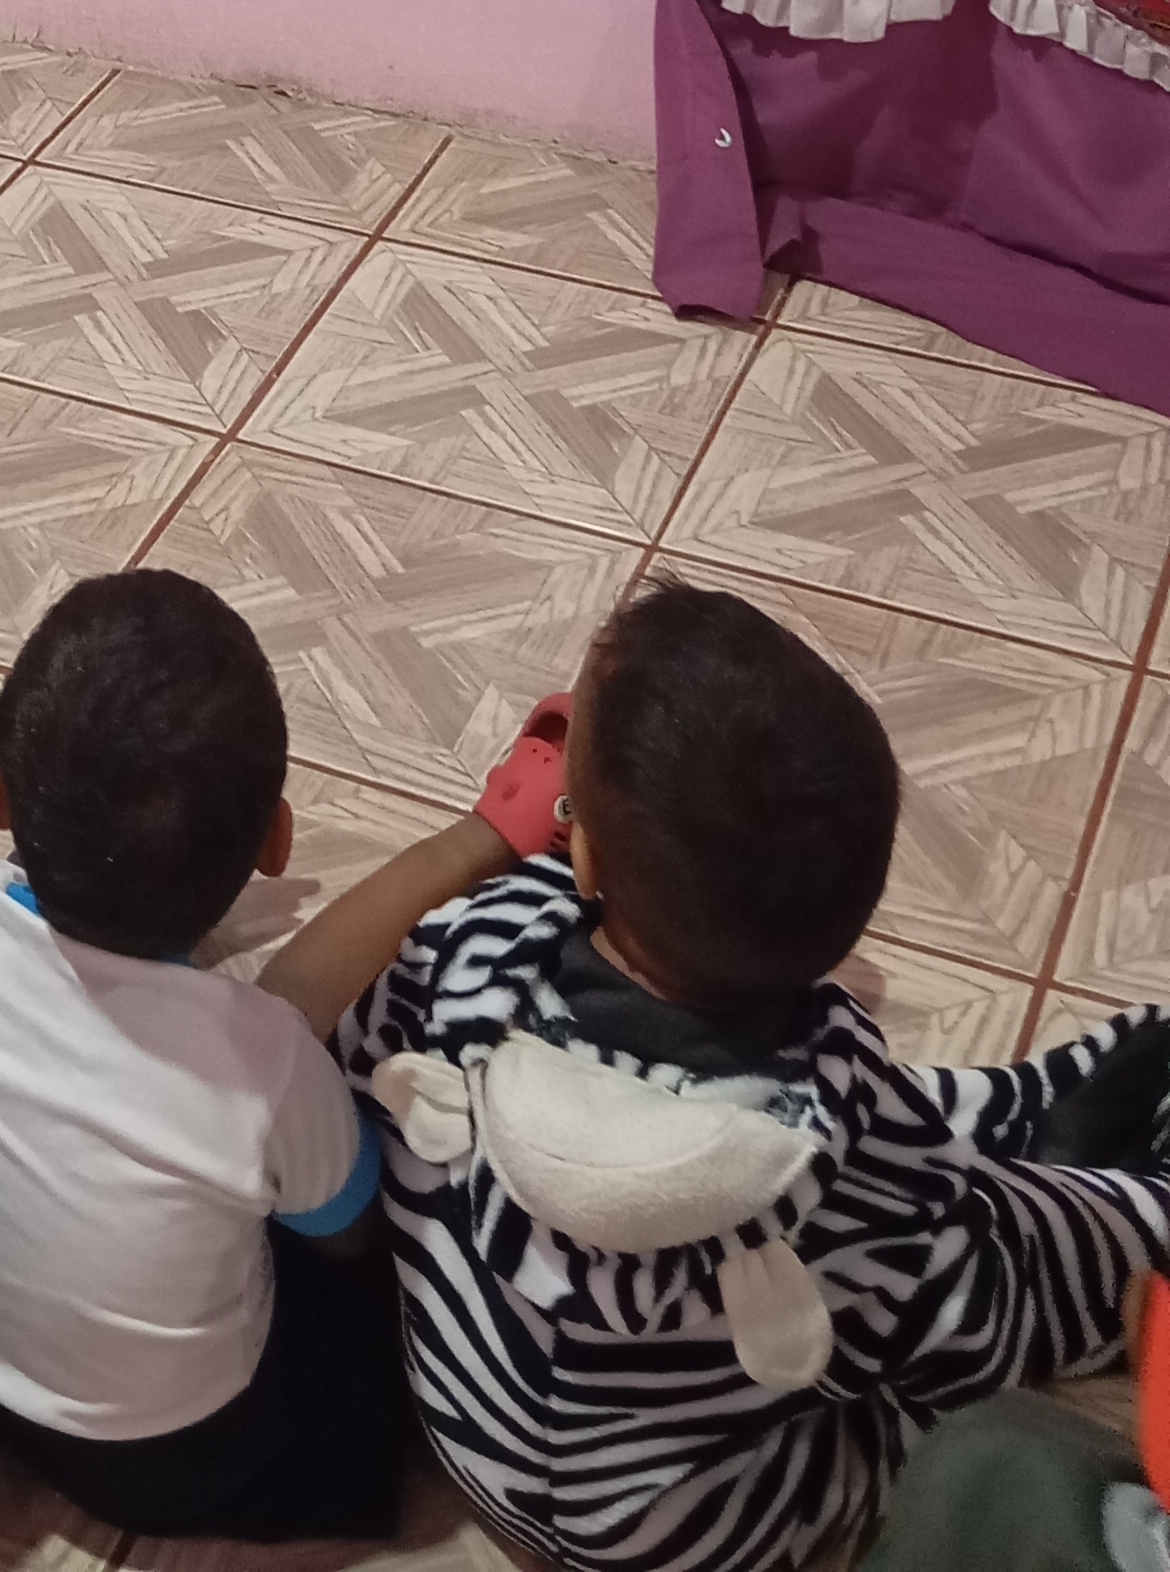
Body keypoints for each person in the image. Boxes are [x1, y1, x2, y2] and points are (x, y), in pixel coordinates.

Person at [293, 580, 1170, 1572]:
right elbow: (981, 1324)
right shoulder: (838, 1144)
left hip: (467, 1430)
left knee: (909, 1187)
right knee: (975, 1288)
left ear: (585, 859)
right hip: (701, 1537)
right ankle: (1100, 1182)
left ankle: (1017, 1156)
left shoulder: (461, 953)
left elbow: (347, 1079)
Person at [0, 572, 406, 1548]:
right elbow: (351, 1232)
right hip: (170, 1463)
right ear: (276, 843)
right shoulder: (268, 1064)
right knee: (381, 1295)